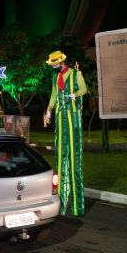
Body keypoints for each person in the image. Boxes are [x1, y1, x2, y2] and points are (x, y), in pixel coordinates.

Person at [44, 50, 88, 216]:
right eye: (53, 64)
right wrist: (49, 110)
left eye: (55, 64)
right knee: (61, 160)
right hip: (60, 119)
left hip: (73, 120)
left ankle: (78, 206)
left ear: (61, 62)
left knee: (74, 160)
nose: (54, 66)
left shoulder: (76, 74)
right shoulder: (56, 78)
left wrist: (74, 94)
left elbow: (84, 89)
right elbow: (54, 96)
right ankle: (61, 207)